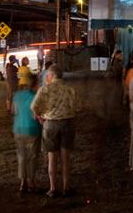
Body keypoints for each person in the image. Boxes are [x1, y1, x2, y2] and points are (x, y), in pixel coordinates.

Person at [31, 65, 81, 197]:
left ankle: (53, 188)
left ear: (51, 76)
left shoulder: (45, 89)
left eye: (47, 75)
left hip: (51, 124)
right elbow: (78, 106)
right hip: (67, 123)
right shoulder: (69, 88)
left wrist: (40, 116)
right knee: (66, 158)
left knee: (52, 157)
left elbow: (35, 107)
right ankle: (66, 186)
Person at [12, 81, 43, 193]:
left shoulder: (17, 95)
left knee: (22, 156)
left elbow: (13, 110)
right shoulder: (35, 97)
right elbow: (37, 114)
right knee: (32, 156)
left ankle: (22, 182)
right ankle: (31, 182)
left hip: (18, 128)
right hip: (32, 129)